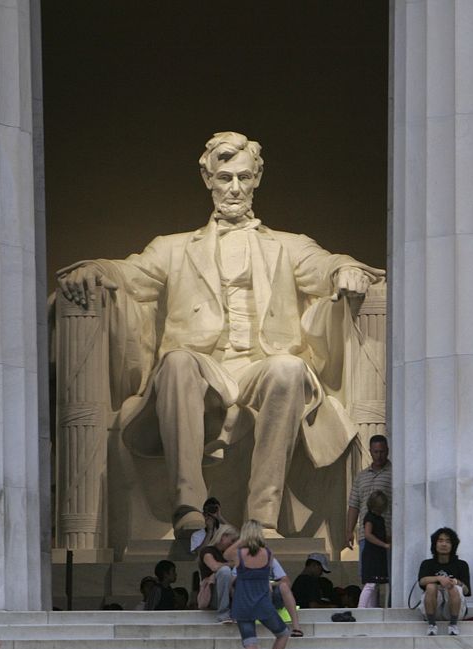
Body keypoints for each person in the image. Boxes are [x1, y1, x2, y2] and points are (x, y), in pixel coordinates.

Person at [58, 132, 384, 540]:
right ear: (207, 178)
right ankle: (189, 508)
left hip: (259, 368)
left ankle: (262, 517)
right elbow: (131, 273)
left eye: (244, 178)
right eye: (225, 177)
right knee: (176, 361)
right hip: (202, 370)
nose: (234, 189)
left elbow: (325, 264)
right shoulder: (173, 248)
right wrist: (98, 270)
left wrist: (345, 270)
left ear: (257, 179)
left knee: (288, 368)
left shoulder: (288, 246)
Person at [225, 521, 291, 649]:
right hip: (263, 604)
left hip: (242, 605)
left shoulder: (239, 554)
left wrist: (242, 540)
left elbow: (226, 554)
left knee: (250, 646)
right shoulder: (268, 554)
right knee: (283, 633)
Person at [346, 434, 391, 558]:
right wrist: (349, 531)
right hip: (365, 533)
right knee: (367, 571)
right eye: (376, 452)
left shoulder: (394, 474)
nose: (379, 455)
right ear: (370, 452)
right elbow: (354, 505)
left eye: (382, 451)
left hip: (386, 533)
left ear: (387, 450)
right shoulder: (361, 476)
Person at [418, 527, 470, 636]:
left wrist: (455, 582)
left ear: (453, 545)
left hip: (454, 609)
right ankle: (432, 625)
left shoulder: (462, 565)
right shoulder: (427, 564)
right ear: (435, 544)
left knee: (453, 588)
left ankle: (453, 625)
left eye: (448, 541)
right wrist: (439, 579)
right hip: (433, 609)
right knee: (431, 586)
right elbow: (422, 581)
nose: (444, 544)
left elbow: (466, 591)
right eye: (440, 541)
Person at [356, 490, 390, 608]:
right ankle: (361, 608)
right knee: (370, 583)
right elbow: (368, 535)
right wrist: (384, 545)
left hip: (379, 554)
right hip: (372, 554)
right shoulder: (369, 517)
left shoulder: (380, 519)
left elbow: (381, 534)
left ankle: (371, 609)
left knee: (375, 585)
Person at [198, 525, 238, 623]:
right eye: (232, 541)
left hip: (232, 596)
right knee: (224, 571)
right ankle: (223, 614)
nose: (232, 544)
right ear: (223, 536)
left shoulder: (232, 554)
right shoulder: (207, 551)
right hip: (214, 597)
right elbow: (214, 566)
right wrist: (232, 564)